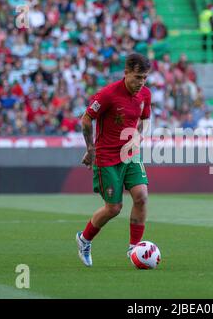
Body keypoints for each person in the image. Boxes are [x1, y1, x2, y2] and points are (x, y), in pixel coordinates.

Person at [76, 53, 152, 267]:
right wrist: (90, 149)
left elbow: (145, 119)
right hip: (107, 157)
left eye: (144, 78)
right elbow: (86, 119)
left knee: (142, 197)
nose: (141, 83)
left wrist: (139, 136)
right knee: (114, 208)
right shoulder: (108, 94)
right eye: (137, 77)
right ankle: (84, 239)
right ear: (126, 73)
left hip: (130, 153)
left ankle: (134, 249)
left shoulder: (145, 94)